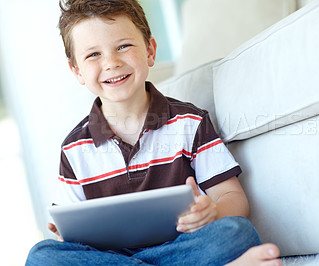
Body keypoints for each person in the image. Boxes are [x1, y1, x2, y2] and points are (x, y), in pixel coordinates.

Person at [26, 0, 282, 265]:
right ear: (77, 70)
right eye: (93, 55)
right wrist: (62, 237)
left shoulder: (190, 122)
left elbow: (235, 200)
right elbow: (68, 232)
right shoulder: (74, 148)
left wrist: (214, 211)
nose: (111, 63)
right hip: (114, 258)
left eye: (123, 46)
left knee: (237, 233)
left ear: (150, 51)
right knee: (41, 256)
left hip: (183, 248)